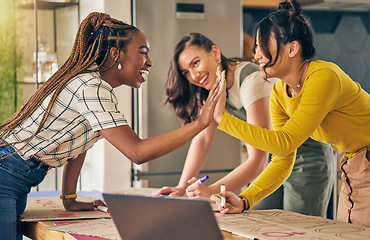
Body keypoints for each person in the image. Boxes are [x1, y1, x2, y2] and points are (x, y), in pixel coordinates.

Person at [0, 12, 224, 240]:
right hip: (5, 174)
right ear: (116, 54)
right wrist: (201, 122)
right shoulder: (91, 88)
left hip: (14, 175)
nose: (150, 62)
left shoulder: (95, 87)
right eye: (143, 53)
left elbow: (79, 144)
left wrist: (70, 198)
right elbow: (137, 152)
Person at [210, 0, 370, 227]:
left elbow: (283, 143)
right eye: (255, 46)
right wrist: (245, 200)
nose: (256, 55)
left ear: (292, 48)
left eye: (263, 44)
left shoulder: (324, 77)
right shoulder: (278, 91)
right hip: (353, 168)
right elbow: (283, 158)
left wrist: (223, 120)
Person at [154, 32, 335, 218]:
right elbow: (203, 140)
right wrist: (182, 187)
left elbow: (257, 160)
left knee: (297, 232)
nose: (194, 75)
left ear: (215, 53)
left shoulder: (251, 81)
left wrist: (211, 191)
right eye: (186, 72)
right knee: (260, 224)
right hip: (273, 163)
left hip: (305, 160)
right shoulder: (210, 89)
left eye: (195, 63)